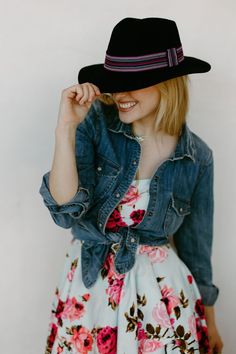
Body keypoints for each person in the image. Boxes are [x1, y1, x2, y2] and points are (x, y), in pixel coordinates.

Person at [39, 17, 224, 354]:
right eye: (114, 82)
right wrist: (65, 130)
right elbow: (65, 211)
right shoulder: (94, 125)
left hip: (163, 302)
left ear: (168, 83)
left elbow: (197, 251)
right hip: (89, 294)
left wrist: (210, 323)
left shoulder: (197, 156)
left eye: (132, 82)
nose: (118, 94)